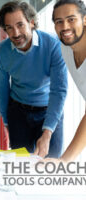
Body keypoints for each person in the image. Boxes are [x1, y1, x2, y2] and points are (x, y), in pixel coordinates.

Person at [0, 1, 68, 158]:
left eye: (20, 25)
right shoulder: (0, 52)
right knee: (22, 165)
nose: (15, 33)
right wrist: (7, 123)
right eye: (9, 28)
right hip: (18, 112)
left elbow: (59, 90)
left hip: (49, 108)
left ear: (31, 22)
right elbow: (1, 89)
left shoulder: (54, 46)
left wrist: (47, 132)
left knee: (51, 164)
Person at [47, 0, 86, 162]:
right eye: (59, 22)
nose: (65, 27)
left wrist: (63, 162)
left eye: (71, 19)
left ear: (84, 19)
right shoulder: (65, 47)